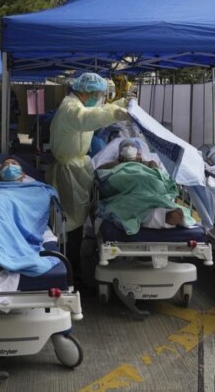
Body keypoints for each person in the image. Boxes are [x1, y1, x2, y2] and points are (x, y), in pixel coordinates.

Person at [45, 72, 130, 278]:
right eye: (97, 94)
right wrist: (114, 114)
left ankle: (72, 266)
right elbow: (86, 119)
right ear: (85, 91)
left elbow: (97, 110)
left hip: (77, 168)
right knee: (70, 225)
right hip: (68, 173)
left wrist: (121, 104)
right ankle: (68, 271)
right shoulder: (71, 108)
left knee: (75, 223)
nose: (99, 98)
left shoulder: (79, 105)